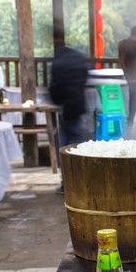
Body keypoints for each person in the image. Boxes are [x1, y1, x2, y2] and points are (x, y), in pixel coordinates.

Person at [49, 33, 89, 192]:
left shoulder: (59, 63)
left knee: (66, 147)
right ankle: (80, 181)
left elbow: (55, 88)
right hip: (78, 105)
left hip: (67, 109)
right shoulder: (78, 57)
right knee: (77, 144)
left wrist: (56, 100)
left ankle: (68, 183)